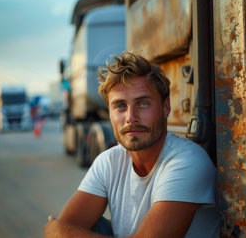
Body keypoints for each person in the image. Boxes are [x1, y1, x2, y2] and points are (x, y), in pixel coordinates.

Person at [44, 52, 219, 237]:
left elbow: (58, 231)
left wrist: (58, 230)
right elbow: (65, 226)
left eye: (143, 103)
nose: (130, 118)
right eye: (120, 106)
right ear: (109, 113)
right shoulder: (109, 162)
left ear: (166, 107)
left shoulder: (187, 162)